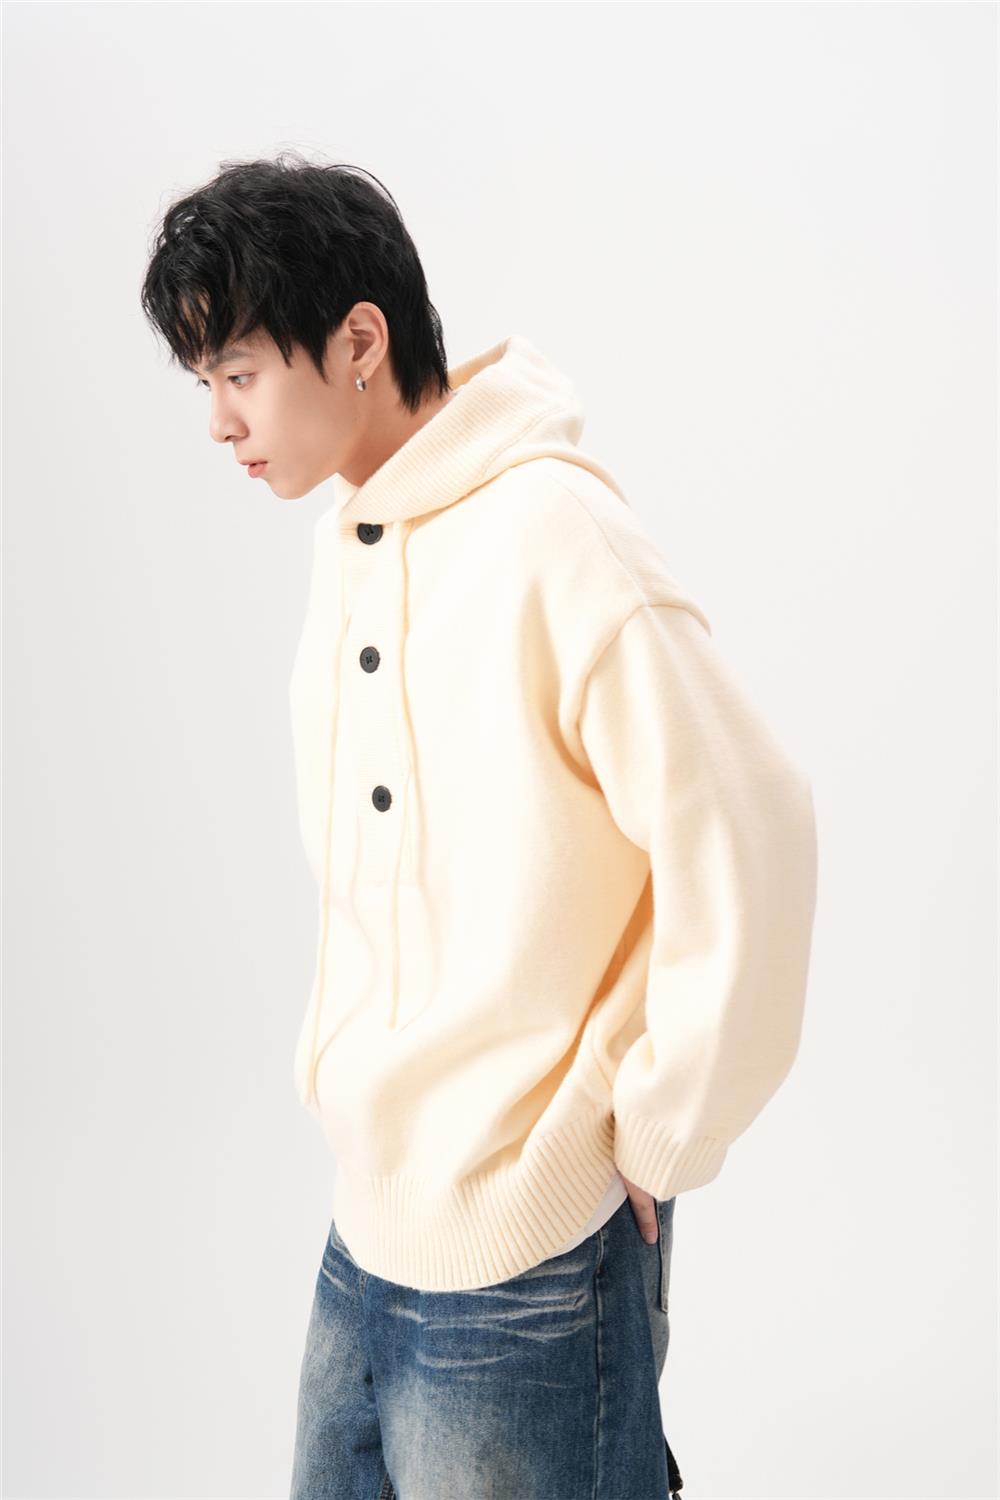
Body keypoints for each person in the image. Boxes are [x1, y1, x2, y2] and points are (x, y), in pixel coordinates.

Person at [140, 151, 818, 1500]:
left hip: (530, 1255)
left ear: (359, 342)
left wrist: (662, 1127)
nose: (219, 421)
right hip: (366, 1231)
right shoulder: (356, 541)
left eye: (239, 373)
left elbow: (755, 823)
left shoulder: (556, 534)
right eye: (206, 382)